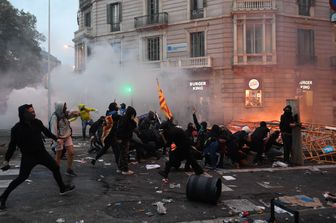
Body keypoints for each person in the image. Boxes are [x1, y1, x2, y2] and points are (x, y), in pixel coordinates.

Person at [0, 104, 75, 211]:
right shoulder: (16, 129)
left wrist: (56, 138)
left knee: (55, 167)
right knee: (22, 178)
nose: (34, 113)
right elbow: (12, 146)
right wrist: (7, 160)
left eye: (33, 111)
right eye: (31, 112)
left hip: (41, 154)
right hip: (28, 157)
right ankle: (3, 197)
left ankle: (62, 189)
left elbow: (46, 132)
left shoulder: (37, 122)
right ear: (24, 114)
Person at [50, 101, 79, 176]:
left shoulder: (65, 114)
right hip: (59, 138)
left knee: (71, 153)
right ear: (60, 107)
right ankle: (56, 172)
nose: (66, 107)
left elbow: (72, 116)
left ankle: (69, 170)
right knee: (58, 155)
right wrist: (56, 139)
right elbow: (53, 130)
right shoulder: (55, 117)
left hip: (67, 136)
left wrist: (76, 114)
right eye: (64, 107)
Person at [116, 106, 138, 175]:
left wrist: (134, 122)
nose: (133, 116)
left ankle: (120, 168)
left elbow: (132, 126)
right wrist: (119, 138)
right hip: (124, 139)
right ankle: (125, 170)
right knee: (124, 155)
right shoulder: (125, 120)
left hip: (123, 139)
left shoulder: (126, 118)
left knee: (122, 154)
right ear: (131, 114)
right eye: (133, 115)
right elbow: (121, 130)